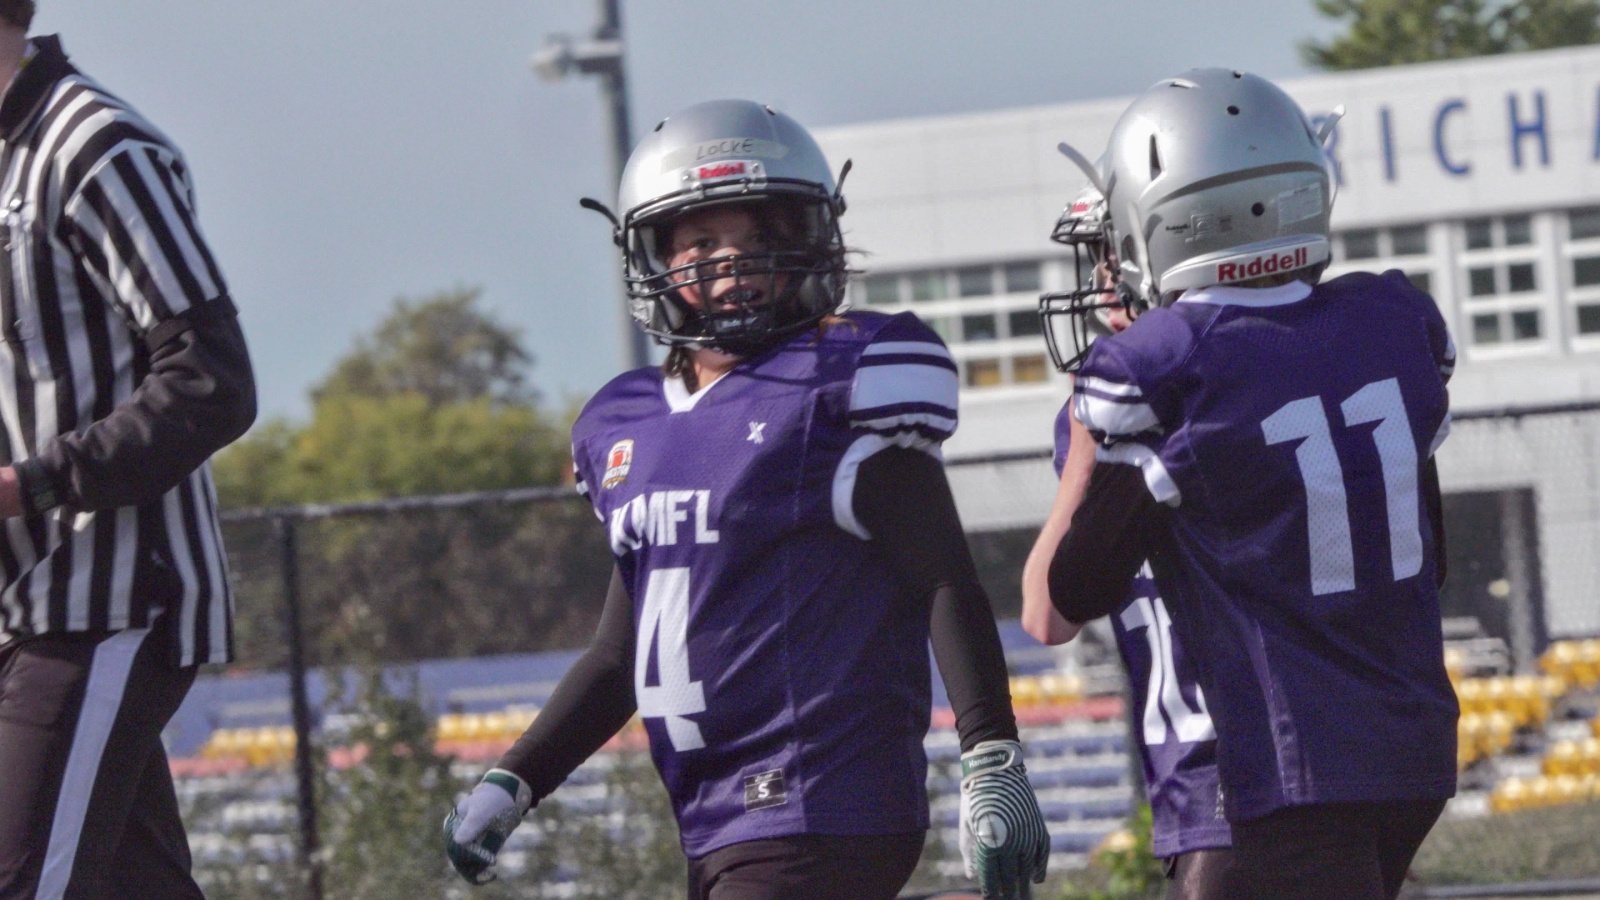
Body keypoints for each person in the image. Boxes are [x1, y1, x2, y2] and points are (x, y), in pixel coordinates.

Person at [444, 99, 1051, 900]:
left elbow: (942, 576)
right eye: (701, 242)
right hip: (712, 814)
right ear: (655, 256)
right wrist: (516, 779)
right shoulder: (625, 420)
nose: (731, 260)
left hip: (826, 789)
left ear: (809, 240)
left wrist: (990, 756)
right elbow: (620, 656)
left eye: (758, 237)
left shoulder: (842, 378)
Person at [1046, 69, 1456, 900]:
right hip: (1409, 745)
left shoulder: (1178, 367)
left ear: (1167, 222)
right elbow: (1431, 557)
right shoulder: (1383, 323)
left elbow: (1070, 592)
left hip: (1283, 762)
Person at [0, 4, 258, 898]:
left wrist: (29, 485)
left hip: (107, 603)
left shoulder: (95, 146)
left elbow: (212, 381)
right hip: (26, 607)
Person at [1022, 185, 1233, 900]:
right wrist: (1086, 447)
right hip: (1184, 774)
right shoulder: (1099, 412)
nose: (1102, 284)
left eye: (1117, 259)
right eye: (1098, 263)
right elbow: (1046, 616)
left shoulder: (1228, 384)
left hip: (1245, 752)